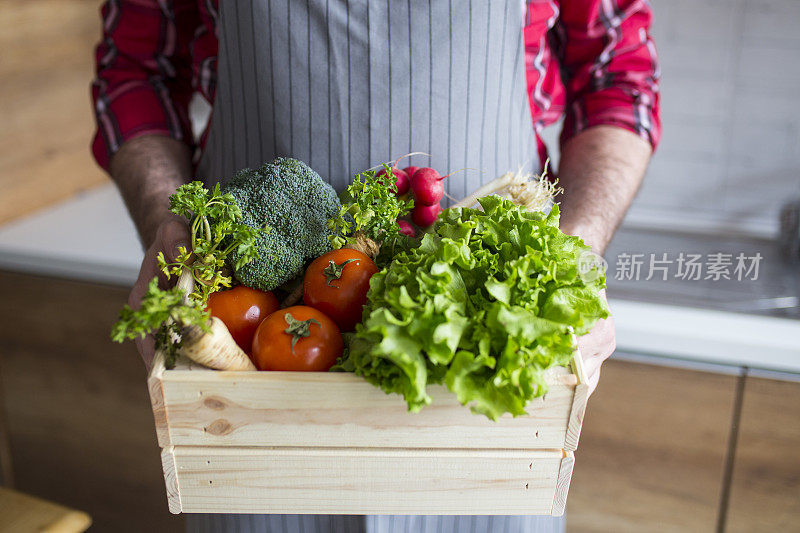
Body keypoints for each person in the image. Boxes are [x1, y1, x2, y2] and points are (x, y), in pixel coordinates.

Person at [91, 1, 660, 531]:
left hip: (482, 397)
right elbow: (136, 70)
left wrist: (576, 252)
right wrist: (167, 223)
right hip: (252, 373)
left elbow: (616, 77)